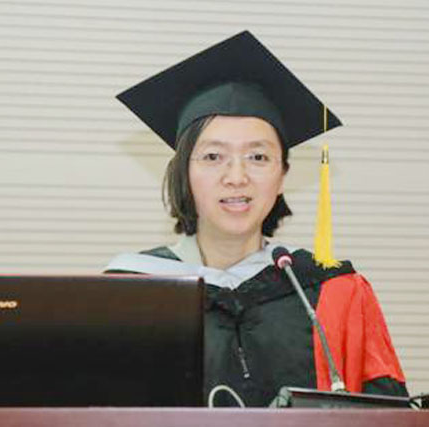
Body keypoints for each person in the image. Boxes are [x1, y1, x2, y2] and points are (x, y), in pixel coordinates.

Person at [105, 31, 407, 407]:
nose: (237, 177)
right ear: (184, 173)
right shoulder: (130, 293)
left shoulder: (333, 291)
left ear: (282, 176)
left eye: (258, 157)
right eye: (213, 156)